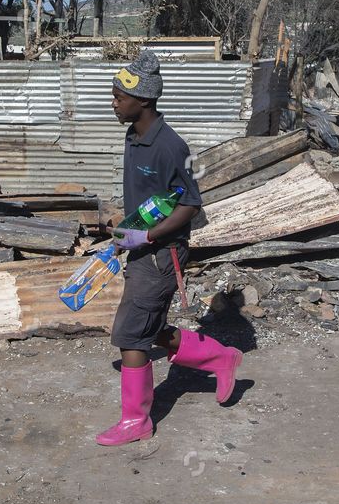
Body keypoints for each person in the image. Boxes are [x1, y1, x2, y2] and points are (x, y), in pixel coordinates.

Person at [97, 49, 244, 446]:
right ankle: (219, 357)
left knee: (130, 336)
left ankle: (137, 421)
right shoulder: (135, 135)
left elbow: (190, 203)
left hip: (162, 256)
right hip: (142, 248)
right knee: (149, 328)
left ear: (142, 101)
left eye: (118, 98)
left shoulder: (169, 147)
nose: (113, 103)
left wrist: (148, 237)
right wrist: (125, 231)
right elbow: (151, 200)